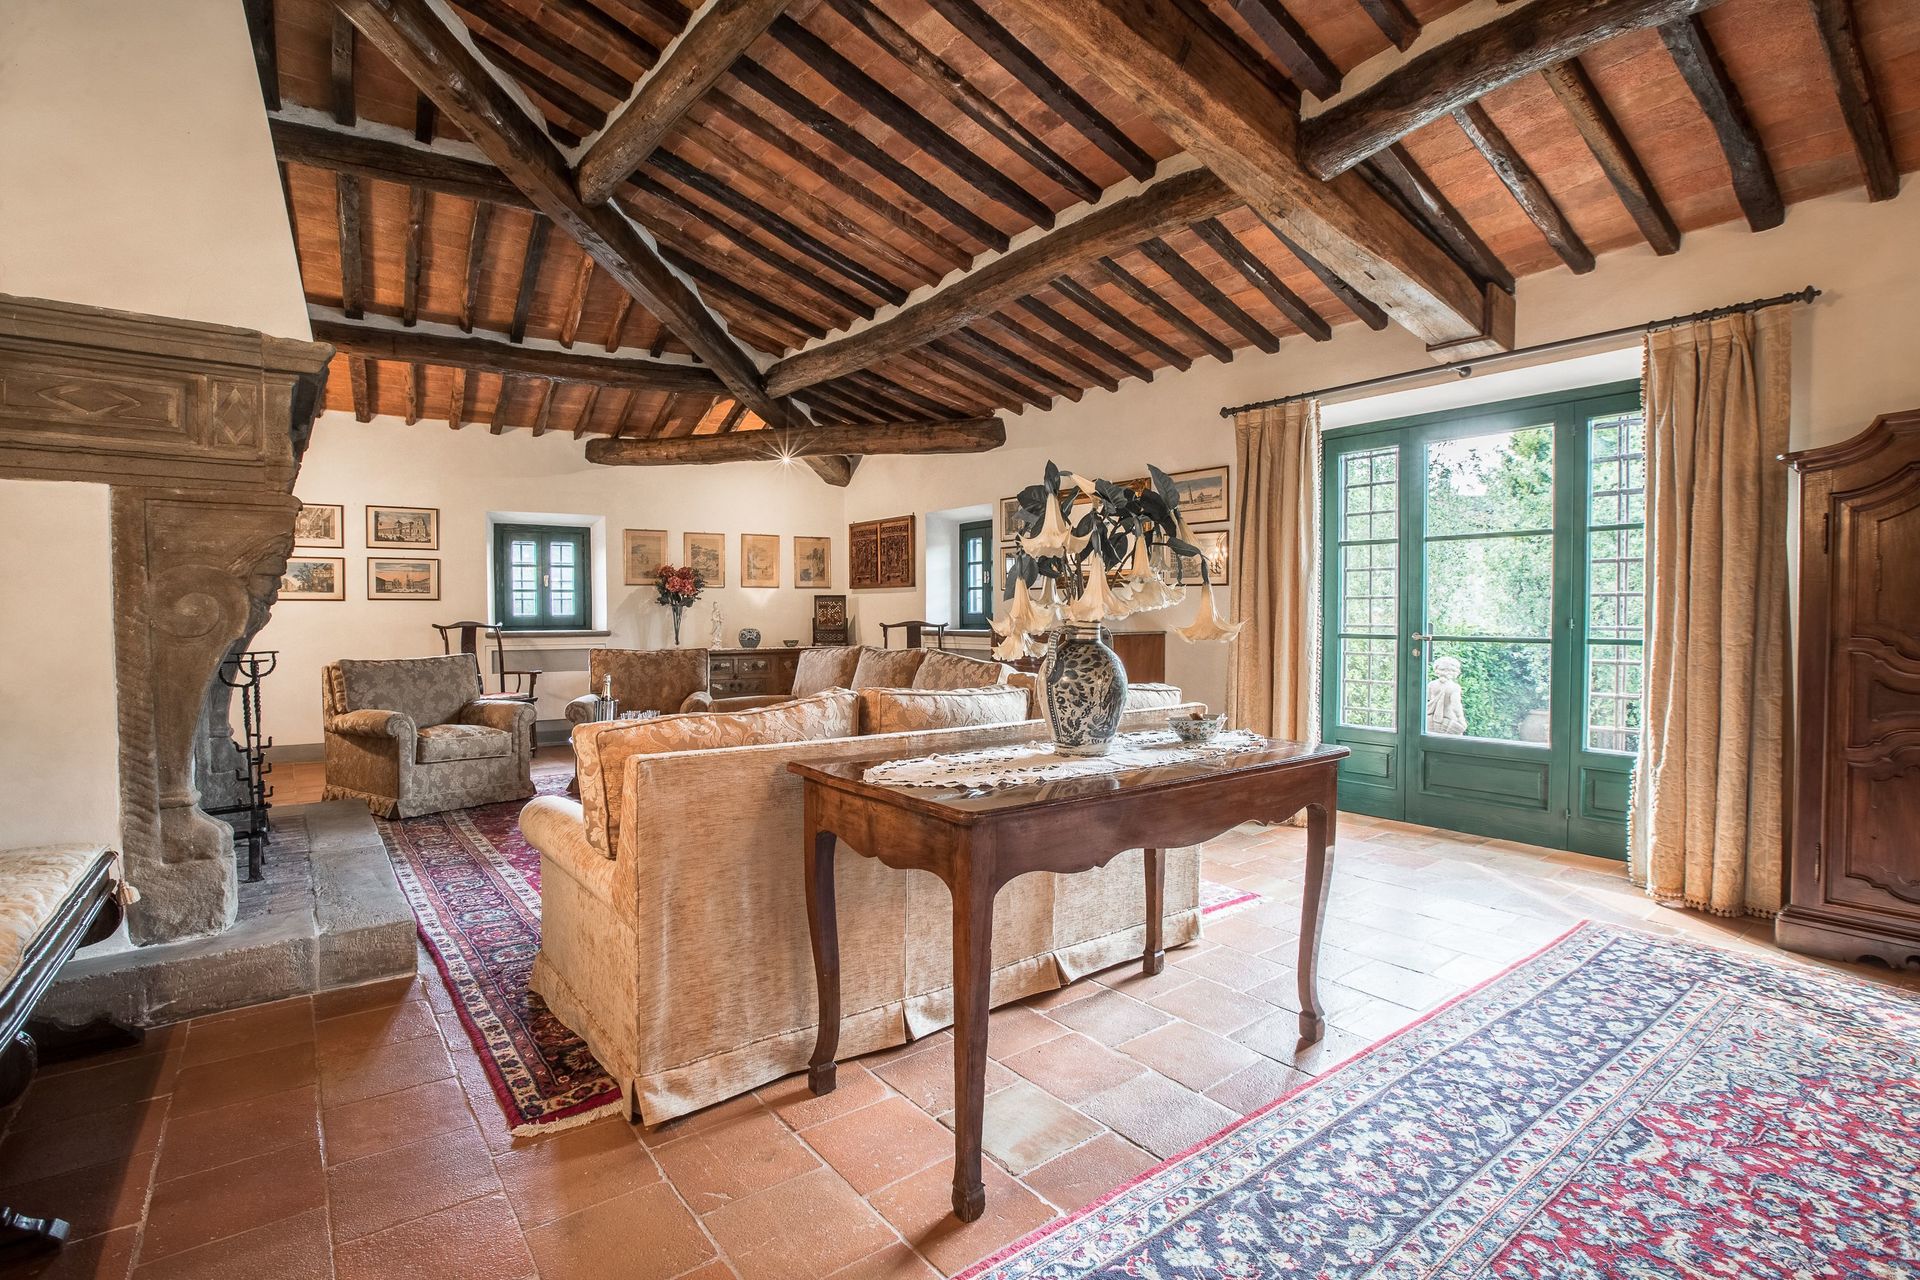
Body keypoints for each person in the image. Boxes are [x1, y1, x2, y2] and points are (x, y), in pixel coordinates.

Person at [1426, 655, 1467, 737]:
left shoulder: (1431, 684)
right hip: (1448, 721)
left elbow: (1428, 699)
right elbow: (1456, 706)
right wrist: (1461, 719)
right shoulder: (1454, 687)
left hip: (1430, 719)